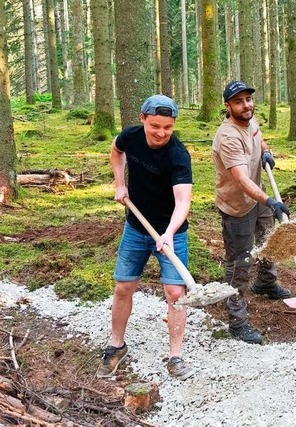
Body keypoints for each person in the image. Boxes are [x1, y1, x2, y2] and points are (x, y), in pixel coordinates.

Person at [97, 95, 195, 380]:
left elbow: (183, 202)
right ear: (142, 119)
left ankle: (175, 356)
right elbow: (116, 151)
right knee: (123, 287)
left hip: (171, 231)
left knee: (176, 294)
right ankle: (116, 346)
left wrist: (168, 233)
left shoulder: (178, 155)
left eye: (168, 127)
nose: (161, 133)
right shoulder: (130, 137)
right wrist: (119, 184)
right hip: (136, 228)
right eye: (155, 126)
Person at [212, 80, 291, 345]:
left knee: (270, 240)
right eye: (238, 101)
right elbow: (243, 181)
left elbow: (258, 138)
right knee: (240, 262)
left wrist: (266, 152)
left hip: (257, 198)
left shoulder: (250, 121)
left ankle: (266, 283)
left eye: (248, 99)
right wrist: (270, 200)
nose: (246, 105)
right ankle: (237, 321)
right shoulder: (228, 137)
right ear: (227, 106)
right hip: (237, 207)